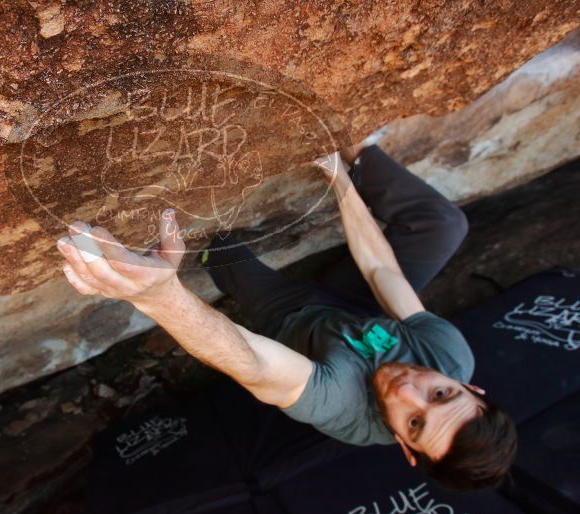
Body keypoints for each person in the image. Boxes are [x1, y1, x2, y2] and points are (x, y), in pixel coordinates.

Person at [55, 143, 516, 491]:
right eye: (440, 392)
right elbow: (381, 271)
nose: (408, 390)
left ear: (406, 450)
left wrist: (160, 297)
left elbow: (255, 366)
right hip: (356, 304)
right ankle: (357, 148)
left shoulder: (347, 413)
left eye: (414, 422)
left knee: (221, 248)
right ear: (468, 386)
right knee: (445, 226)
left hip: (286, 317)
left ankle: (221, 263)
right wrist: (338, 177)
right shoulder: (451, 354)